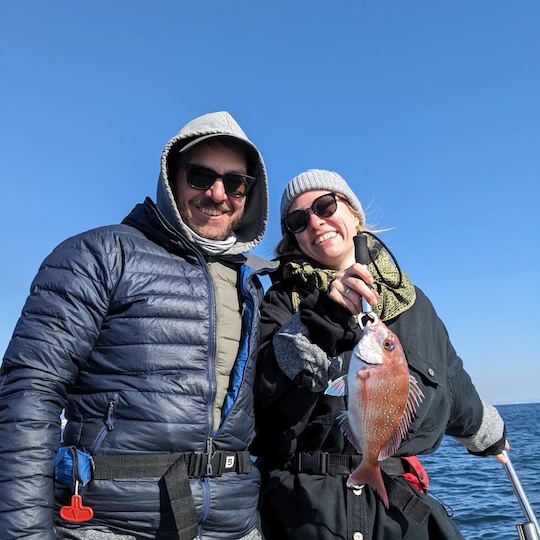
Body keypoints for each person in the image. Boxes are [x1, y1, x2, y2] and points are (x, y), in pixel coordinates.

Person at [0, 111, 272, 540]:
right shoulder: (100, 254)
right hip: (111, 524)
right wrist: (24, 532)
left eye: (235, 183)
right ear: (171, 177)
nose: (218, 193)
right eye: (200, 176)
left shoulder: (251, 285)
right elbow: (30, 392)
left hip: (234, 528)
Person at [251, 169, 508, 539]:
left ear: (355, 214)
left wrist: (489, 435)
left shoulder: (414, 304)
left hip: (397, 510)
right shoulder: (277, 301)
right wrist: (322, 316)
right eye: (298, 220)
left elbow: (451, 380)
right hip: (302, 510)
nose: (316, 222)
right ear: (293, 238)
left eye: (326, 206)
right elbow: (261, 395)